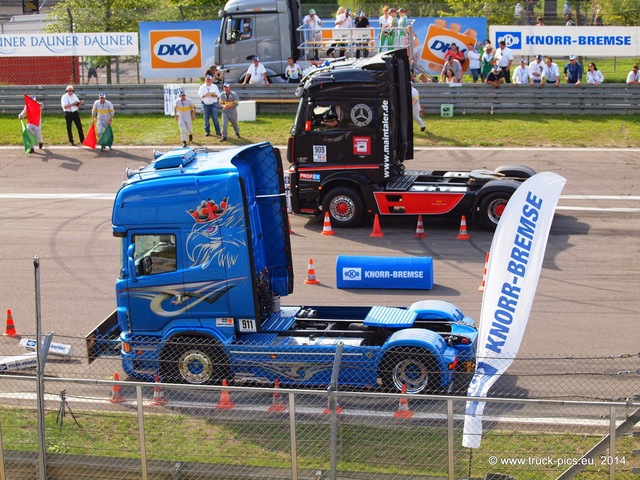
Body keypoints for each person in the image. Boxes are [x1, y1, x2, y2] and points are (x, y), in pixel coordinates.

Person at [198, 72, 221, 137]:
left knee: (215, 119)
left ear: (211, 80)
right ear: (205, 80)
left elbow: (218, 94)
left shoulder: (214, 86)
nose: (208, 80)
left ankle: (218, 131)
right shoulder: (202, 87)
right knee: (206, 119)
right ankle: (207, 131)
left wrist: (215, 95)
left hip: (213, 104)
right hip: (205, 104)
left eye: (209, 79)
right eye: (207, 79)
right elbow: (199, 94)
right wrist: (204, 95)